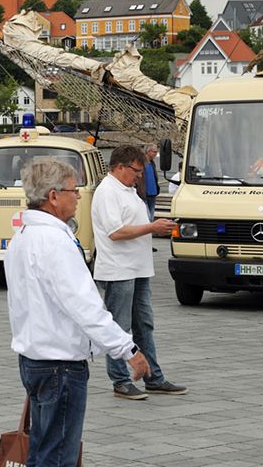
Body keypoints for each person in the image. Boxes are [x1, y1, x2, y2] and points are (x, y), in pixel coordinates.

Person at [4, 158, 151, 467]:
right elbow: (85, 307)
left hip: (33, 358)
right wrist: (128, 349)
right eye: (74, 190)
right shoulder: (55, 241)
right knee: (58, 457)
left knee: (42, 452)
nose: (79, 196)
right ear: (53, 196)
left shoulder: (21, 236)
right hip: (60, 364)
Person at [91, 145, 185, 400]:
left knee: (144, 324)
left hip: (138, 268)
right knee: (119, 327)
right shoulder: (107, 191)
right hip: (118, 270)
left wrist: (153, 228)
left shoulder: (128, 190)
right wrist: (152, 227)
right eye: (136, 170)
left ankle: (153, 377)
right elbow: (116, 232)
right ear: (120, 167)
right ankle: (120, 380)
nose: (140, 175)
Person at [142, 143, 160, 221]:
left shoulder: (152, 164)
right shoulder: (141, 163)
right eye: (154, 152)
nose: (156, 154)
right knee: (147, 217)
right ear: (148, 151)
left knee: (151, 217)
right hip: (143, 194)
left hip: (153, 194)